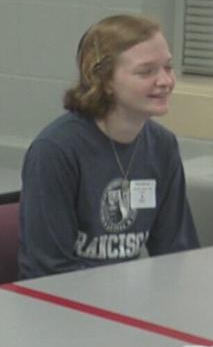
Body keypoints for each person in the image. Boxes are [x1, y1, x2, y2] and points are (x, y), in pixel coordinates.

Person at [18, 14, 199, 279]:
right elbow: (48, 270)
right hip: (64, 305)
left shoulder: (162, 146)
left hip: (124, 301)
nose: (165, 81)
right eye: (146, 71)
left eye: (168, 67)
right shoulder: (56, 151)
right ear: (104, 81)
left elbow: (177, 253)